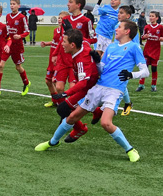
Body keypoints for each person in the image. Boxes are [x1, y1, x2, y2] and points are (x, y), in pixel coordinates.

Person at [35, 19, 149, 162]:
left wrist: (131, 74)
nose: (116, 29)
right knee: (71, 117)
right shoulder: (112, 47)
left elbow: (145, 72)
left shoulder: (134, 47)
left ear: (127, 31)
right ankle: (52, 142)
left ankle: (130, 149)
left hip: (114, 90)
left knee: (106, 123)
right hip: (98, 87)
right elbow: (103, 69)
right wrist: (97, 62)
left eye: (119, 27)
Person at [51, 28, 100, 143]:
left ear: (72, 45)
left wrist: (66, 93)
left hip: (90, 89)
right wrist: (70, 28)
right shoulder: (83, 44)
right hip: (87, 86)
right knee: (63, 109)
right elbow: (86, 40)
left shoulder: (81, 60)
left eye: (64, 42)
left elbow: (83, 83)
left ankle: (80, 128)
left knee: (63, 109)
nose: (62, 44)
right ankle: (96, 111)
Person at [0, 0, 30, 97]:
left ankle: (26, 83)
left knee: (18, 67)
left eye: (14, 4)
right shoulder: (8, 16)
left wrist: (20, 36)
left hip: (17, 46)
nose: (12, 6)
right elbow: (7, 30)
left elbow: (27, 31)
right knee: (0, 65)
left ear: (18, 6)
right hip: (7, 45)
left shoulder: (22, 17)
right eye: (11, 4)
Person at [40, 11, 69, 107]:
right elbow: (55, 42)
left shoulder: (67, 33)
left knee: (56, 82)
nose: (60, 19)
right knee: (48, 81)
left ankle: (63, 102)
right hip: (51, 59)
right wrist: (47, 44)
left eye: (62, 18)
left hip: (60, 60)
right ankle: (55, 100)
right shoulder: (56, 30)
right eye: (59, 18)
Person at [137, 11, 163, 92]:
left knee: (154, 68)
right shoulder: (147, 27)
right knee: (145, 68)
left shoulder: (160, 27)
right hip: (147, 50)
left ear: (157, 18)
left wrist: (161, 38)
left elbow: (162, 36)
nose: (151, 17)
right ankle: (141, 85)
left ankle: (153, 86)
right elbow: (143, 37)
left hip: (156, 51)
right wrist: (145, 36)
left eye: (153, 16)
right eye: (150, 16)